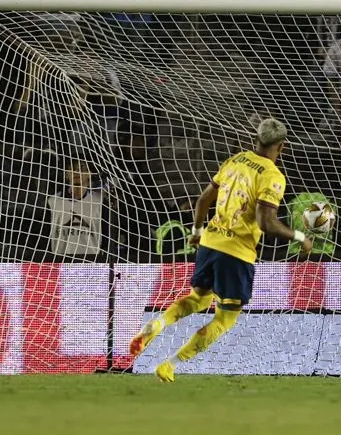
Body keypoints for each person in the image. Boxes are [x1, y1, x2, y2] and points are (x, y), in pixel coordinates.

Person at [128, 117, 311, 380]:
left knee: (197, 299)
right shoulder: (272, 176)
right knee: (225, 319)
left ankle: (158, 323)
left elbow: (203, 199)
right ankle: (171, 364)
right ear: (281, 147)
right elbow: (266, 222)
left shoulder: (234, 160)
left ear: (255, 140)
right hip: (237, 253)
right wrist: (299, 235)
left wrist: (196, 232)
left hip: (210, 243)